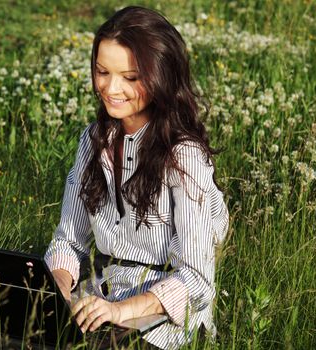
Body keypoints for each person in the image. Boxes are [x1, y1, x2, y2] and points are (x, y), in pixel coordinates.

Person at [44, 5, 229, 349]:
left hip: (164, 319)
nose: (111, 88)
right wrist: (56, 292)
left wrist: (120, 311)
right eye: (102, 72)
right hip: (100, 297)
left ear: (161, 76)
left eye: (130, 77)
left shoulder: (184, 156)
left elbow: (196, 279)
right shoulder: (93, 139)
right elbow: (68, 242)